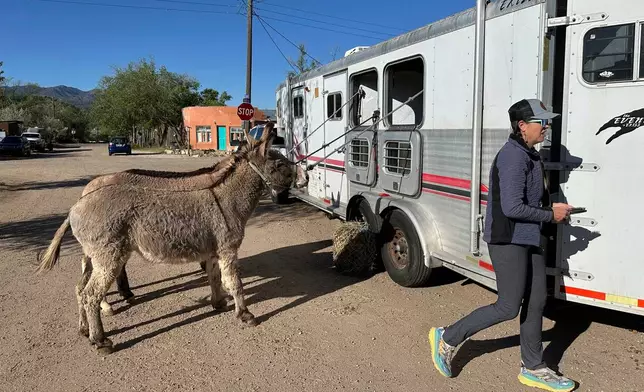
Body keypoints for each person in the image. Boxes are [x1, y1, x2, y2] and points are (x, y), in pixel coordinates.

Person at [428, 99, 577, 392]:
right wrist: (550, 214)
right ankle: (447, 337)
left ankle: (533, 367)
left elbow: (529, 200)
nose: (546, 127)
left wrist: (550, 207)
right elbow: (511, 208)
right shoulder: (513, 157)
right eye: (541, 122)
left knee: (536, 301)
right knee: (509, 306)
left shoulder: (531, 155)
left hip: (530, 236)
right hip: (508, 239)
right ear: (522, 126)